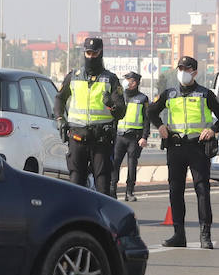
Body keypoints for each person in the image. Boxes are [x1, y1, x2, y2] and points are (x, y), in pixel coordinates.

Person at [149, 56, 219, 249]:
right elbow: (151, 111)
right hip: (176, 147)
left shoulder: (205, 94)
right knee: (175, 191)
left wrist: (213, 129)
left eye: (186, 69)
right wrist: (160, 126)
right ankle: (179, 235)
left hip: (197, 148)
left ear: (194, 72)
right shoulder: (169, 94)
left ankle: (205, 235)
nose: (183, 72)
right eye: (180, 68)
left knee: (202, 190)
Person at [55, 37, 126, 196]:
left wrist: (111, 105)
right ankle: (77, 220)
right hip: (77, 138)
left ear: (101, 53)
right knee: (75, 183)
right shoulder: (74, 76)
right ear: (84, 53)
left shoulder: (111, 79)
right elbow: (59, 98)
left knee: (102, 184)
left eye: (95, 53)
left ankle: (103, 220)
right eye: (88, 52)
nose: (91, 56)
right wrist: (60, 119)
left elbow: (121, 111)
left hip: (100, 140)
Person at [111, 71, 152, 202]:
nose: (129, 83)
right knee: (114, 164)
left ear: (137, 83)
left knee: (132, 165)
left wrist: (144, 136)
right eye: (127, 80)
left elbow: (147, 119)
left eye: (132, 80)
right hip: (119, 136)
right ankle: (112, 191)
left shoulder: (142, 98)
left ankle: (129, 192)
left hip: (134, 138)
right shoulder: (119, 96)